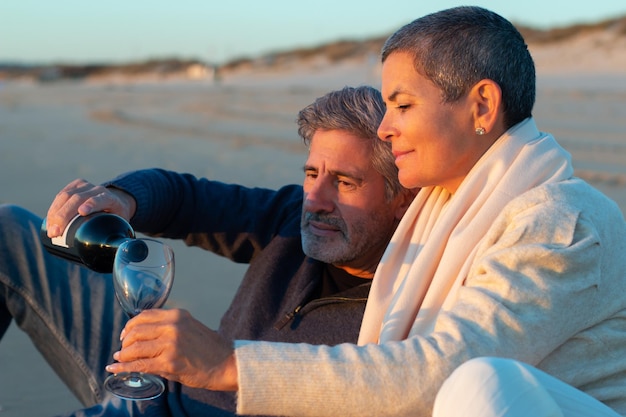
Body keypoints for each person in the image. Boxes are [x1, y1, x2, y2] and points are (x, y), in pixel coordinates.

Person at [98, 6, 626, 417]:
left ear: (482, 106)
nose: (385, 127)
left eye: (402, 104)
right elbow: (197, 200)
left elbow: (444, 370)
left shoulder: (561, 221)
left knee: (479, 384)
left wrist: (228, 363)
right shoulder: (448, 207)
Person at [0, 85, 413, 416]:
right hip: (156, 377)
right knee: (9, 230)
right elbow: (186, 198)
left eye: (344, 182)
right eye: (311, 173)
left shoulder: (415, 309)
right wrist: (122, 199)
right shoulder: (290, 216)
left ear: (402, 200)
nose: (315, 199)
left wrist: (229, 362)